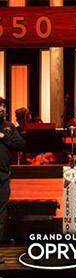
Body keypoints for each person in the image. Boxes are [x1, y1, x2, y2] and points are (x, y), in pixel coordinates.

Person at [0, 99, 25, 259]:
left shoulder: (9, 127)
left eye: (3, 106)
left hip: (3, 175)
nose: (1, 109)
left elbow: (21, 144)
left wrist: (3, 137)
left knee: (1, 214)